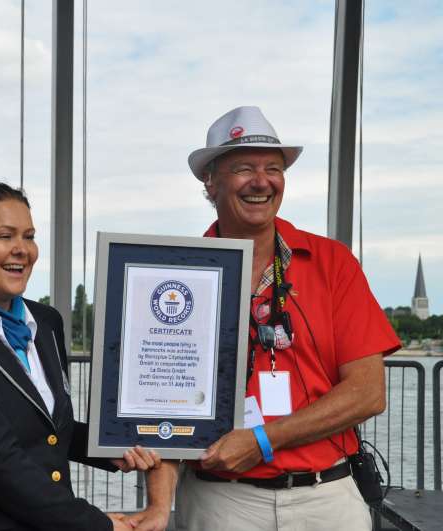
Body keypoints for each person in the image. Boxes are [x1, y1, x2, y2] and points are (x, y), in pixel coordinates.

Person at [172, 106, 401, 530]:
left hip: (327, 497)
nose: (262, 181)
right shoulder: (180, 272)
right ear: (210, 181)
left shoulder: (333, 263)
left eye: (273, 168)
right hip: (220, 500)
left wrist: (262, 441)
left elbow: (369, 392)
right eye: (244, 168)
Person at [0, 182, 175, 531]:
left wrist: (110, 445)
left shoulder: (47, 322)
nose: (22, 250)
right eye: (5, 236)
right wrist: (96, 525)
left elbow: (48, 429)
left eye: (29, 236)